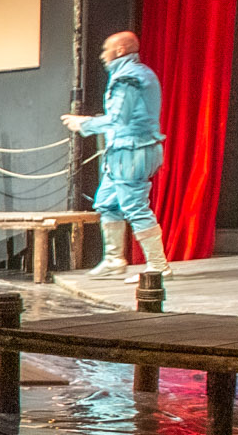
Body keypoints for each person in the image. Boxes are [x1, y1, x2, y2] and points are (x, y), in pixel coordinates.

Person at [64, 29, 170, 281]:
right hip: (124, 151)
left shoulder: (128, 77)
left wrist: (84, 124)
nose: (103, 55)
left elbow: (118, 118)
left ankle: (158, 266)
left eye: (106, 49)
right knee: (107, 202)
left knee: (135, 206)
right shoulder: (135, 73)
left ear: (120, 50)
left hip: (132, 151)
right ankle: (114, 259)